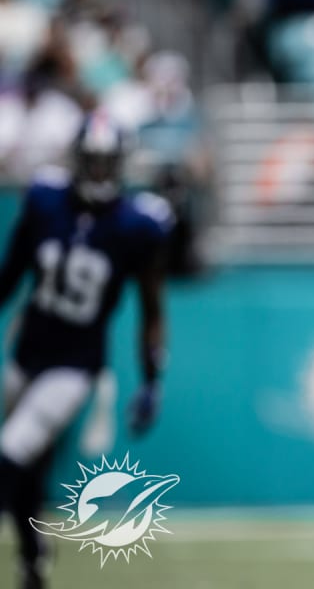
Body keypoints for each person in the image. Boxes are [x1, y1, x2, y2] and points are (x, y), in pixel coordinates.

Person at [0, 113, 172, 589]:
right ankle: (33, 556)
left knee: (10, 454)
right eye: (91, 163)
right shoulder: (44, 200)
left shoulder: (139, 225)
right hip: (25, 352)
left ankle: (32, 553)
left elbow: (152, 308)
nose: (98, 173)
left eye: (106, 164)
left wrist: (152, 378)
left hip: (74, 367)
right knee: (26, 466)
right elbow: (10, 273)